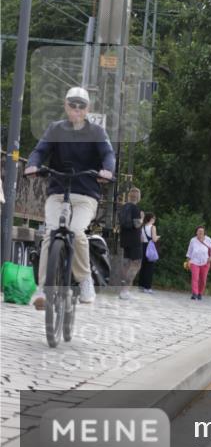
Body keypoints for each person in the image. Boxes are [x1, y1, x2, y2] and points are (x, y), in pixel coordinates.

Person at [24, 86, 115, 308]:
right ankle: (43, 289)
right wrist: (32, 165)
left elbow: (108, 154)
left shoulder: (97, 132)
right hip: (57, 193)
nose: (76, 109)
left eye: (81, 106)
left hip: (85, 195)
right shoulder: (55, 129)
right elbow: (40, 150)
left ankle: (84, 280)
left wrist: (107, 171)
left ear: (87, 109)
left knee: (76, 231)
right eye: (72, 105)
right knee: (49, 234)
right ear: (66, 106)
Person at [117, 187, 144, 300]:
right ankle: (125, 291)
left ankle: (122, 290)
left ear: (129, 196)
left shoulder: (123, 207)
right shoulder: (135, 208)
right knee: (136, 264)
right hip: (134, 240)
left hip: (124, 238)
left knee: (126, 263)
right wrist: (142, 218)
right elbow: (137, 225)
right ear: (138, 197)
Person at [187, 225, 211, 299]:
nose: (200, 232)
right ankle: (194, 293)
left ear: (204, 232)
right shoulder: (193, 240)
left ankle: (200, 293)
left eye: (202, 231)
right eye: (199, 231)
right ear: (196, 232)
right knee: (195, 278)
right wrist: (188, 260)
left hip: (205, 262)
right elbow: (189, 251)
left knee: (203, 279)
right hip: (194, 261)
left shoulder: (208, 240)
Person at [138, 212, 159, 293]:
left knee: (142, 267)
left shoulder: (142, 227)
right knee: (149, 268)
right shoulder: (153, 227)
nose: (154, 220)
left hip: (142, 247)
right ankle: (148, 287)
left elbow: (141, 239)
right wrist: (157, 237)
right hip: (150, 247)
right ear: (151, 219)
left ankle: (141, 286)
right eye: (154, 218)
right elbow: (154, 239)